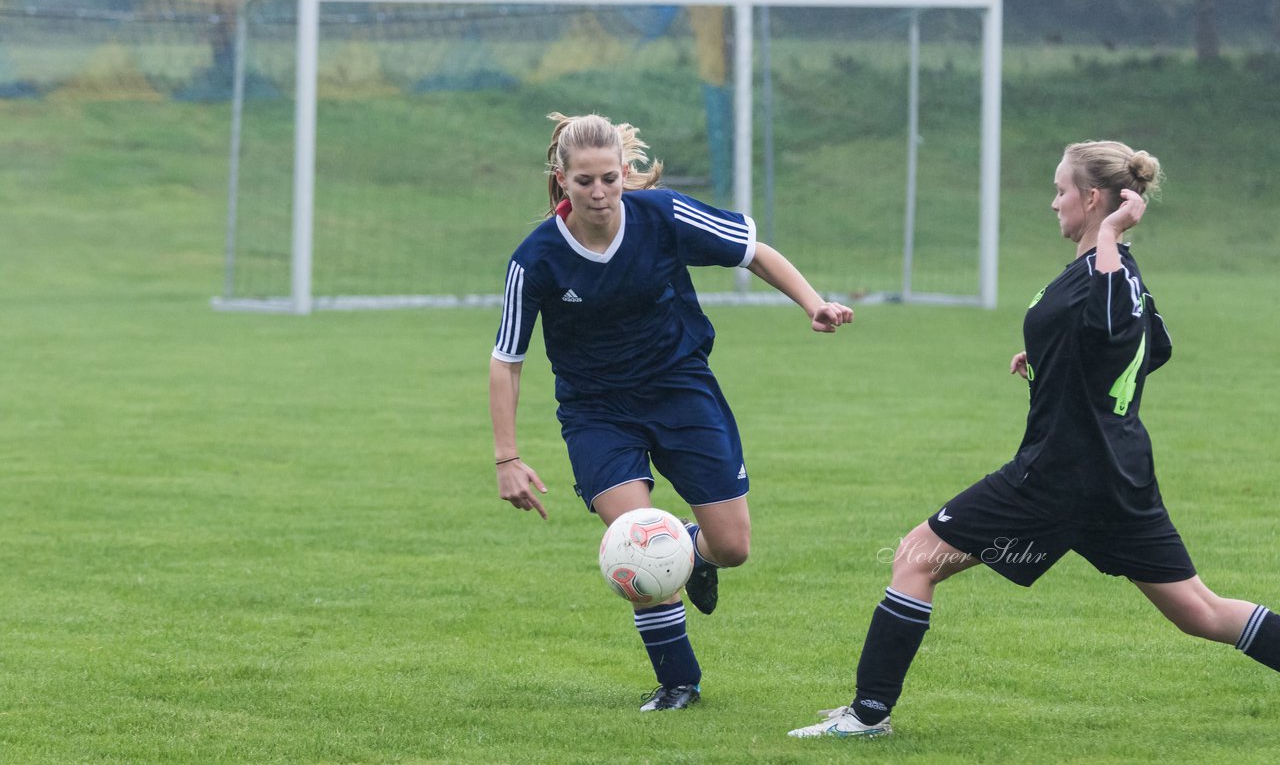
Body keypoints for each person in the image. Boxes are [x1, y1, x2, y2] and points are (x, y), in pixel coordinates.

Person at [788, 140, 1280, 739]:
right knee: (1199, 612)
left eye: (1061, 189)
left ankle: (866, 716)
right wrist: (1054, 358)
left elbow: (1109, 324)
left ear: (1092, 197)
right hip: (1116, 476)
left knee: (915, 558)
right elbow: (1150, 345)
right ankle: (867, 713)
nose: (1053, 202)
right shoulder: (1108, 274)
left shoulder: (1112, 267)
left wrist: (1110, 237)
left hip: (1058, 474)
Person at [490, 112, 853, 712]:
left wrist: (813, 303)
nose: (600, 192)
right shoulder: (536, 259)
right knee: (634, 538)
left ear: (625, 172)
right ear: (561, 178)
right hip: (597, 412)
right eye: (584, 182)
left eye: (610, 177)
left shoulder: (663, 215)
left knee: (732, 546)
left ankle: (689, 548)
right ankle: (678, 681)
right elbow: (507, 359)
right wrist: (507, 456)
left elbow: (753, 251)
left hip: (680, 390)